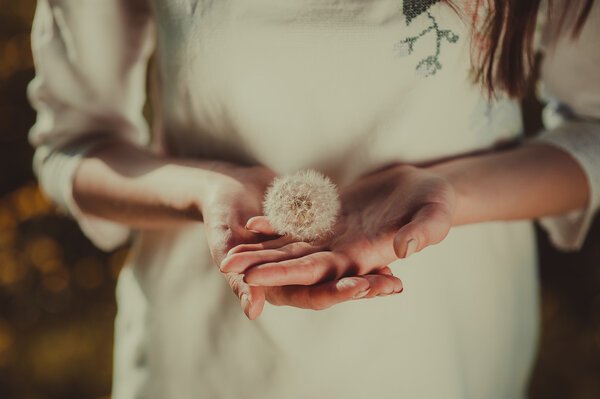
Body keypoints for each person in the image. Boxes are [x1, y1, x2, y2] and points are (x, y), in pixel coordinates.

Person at [28, 0, 599, 398]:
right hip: (208, 362)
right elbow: (74, 145)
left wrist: (451, 194)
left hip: (446, 354)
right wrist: (204, 188)